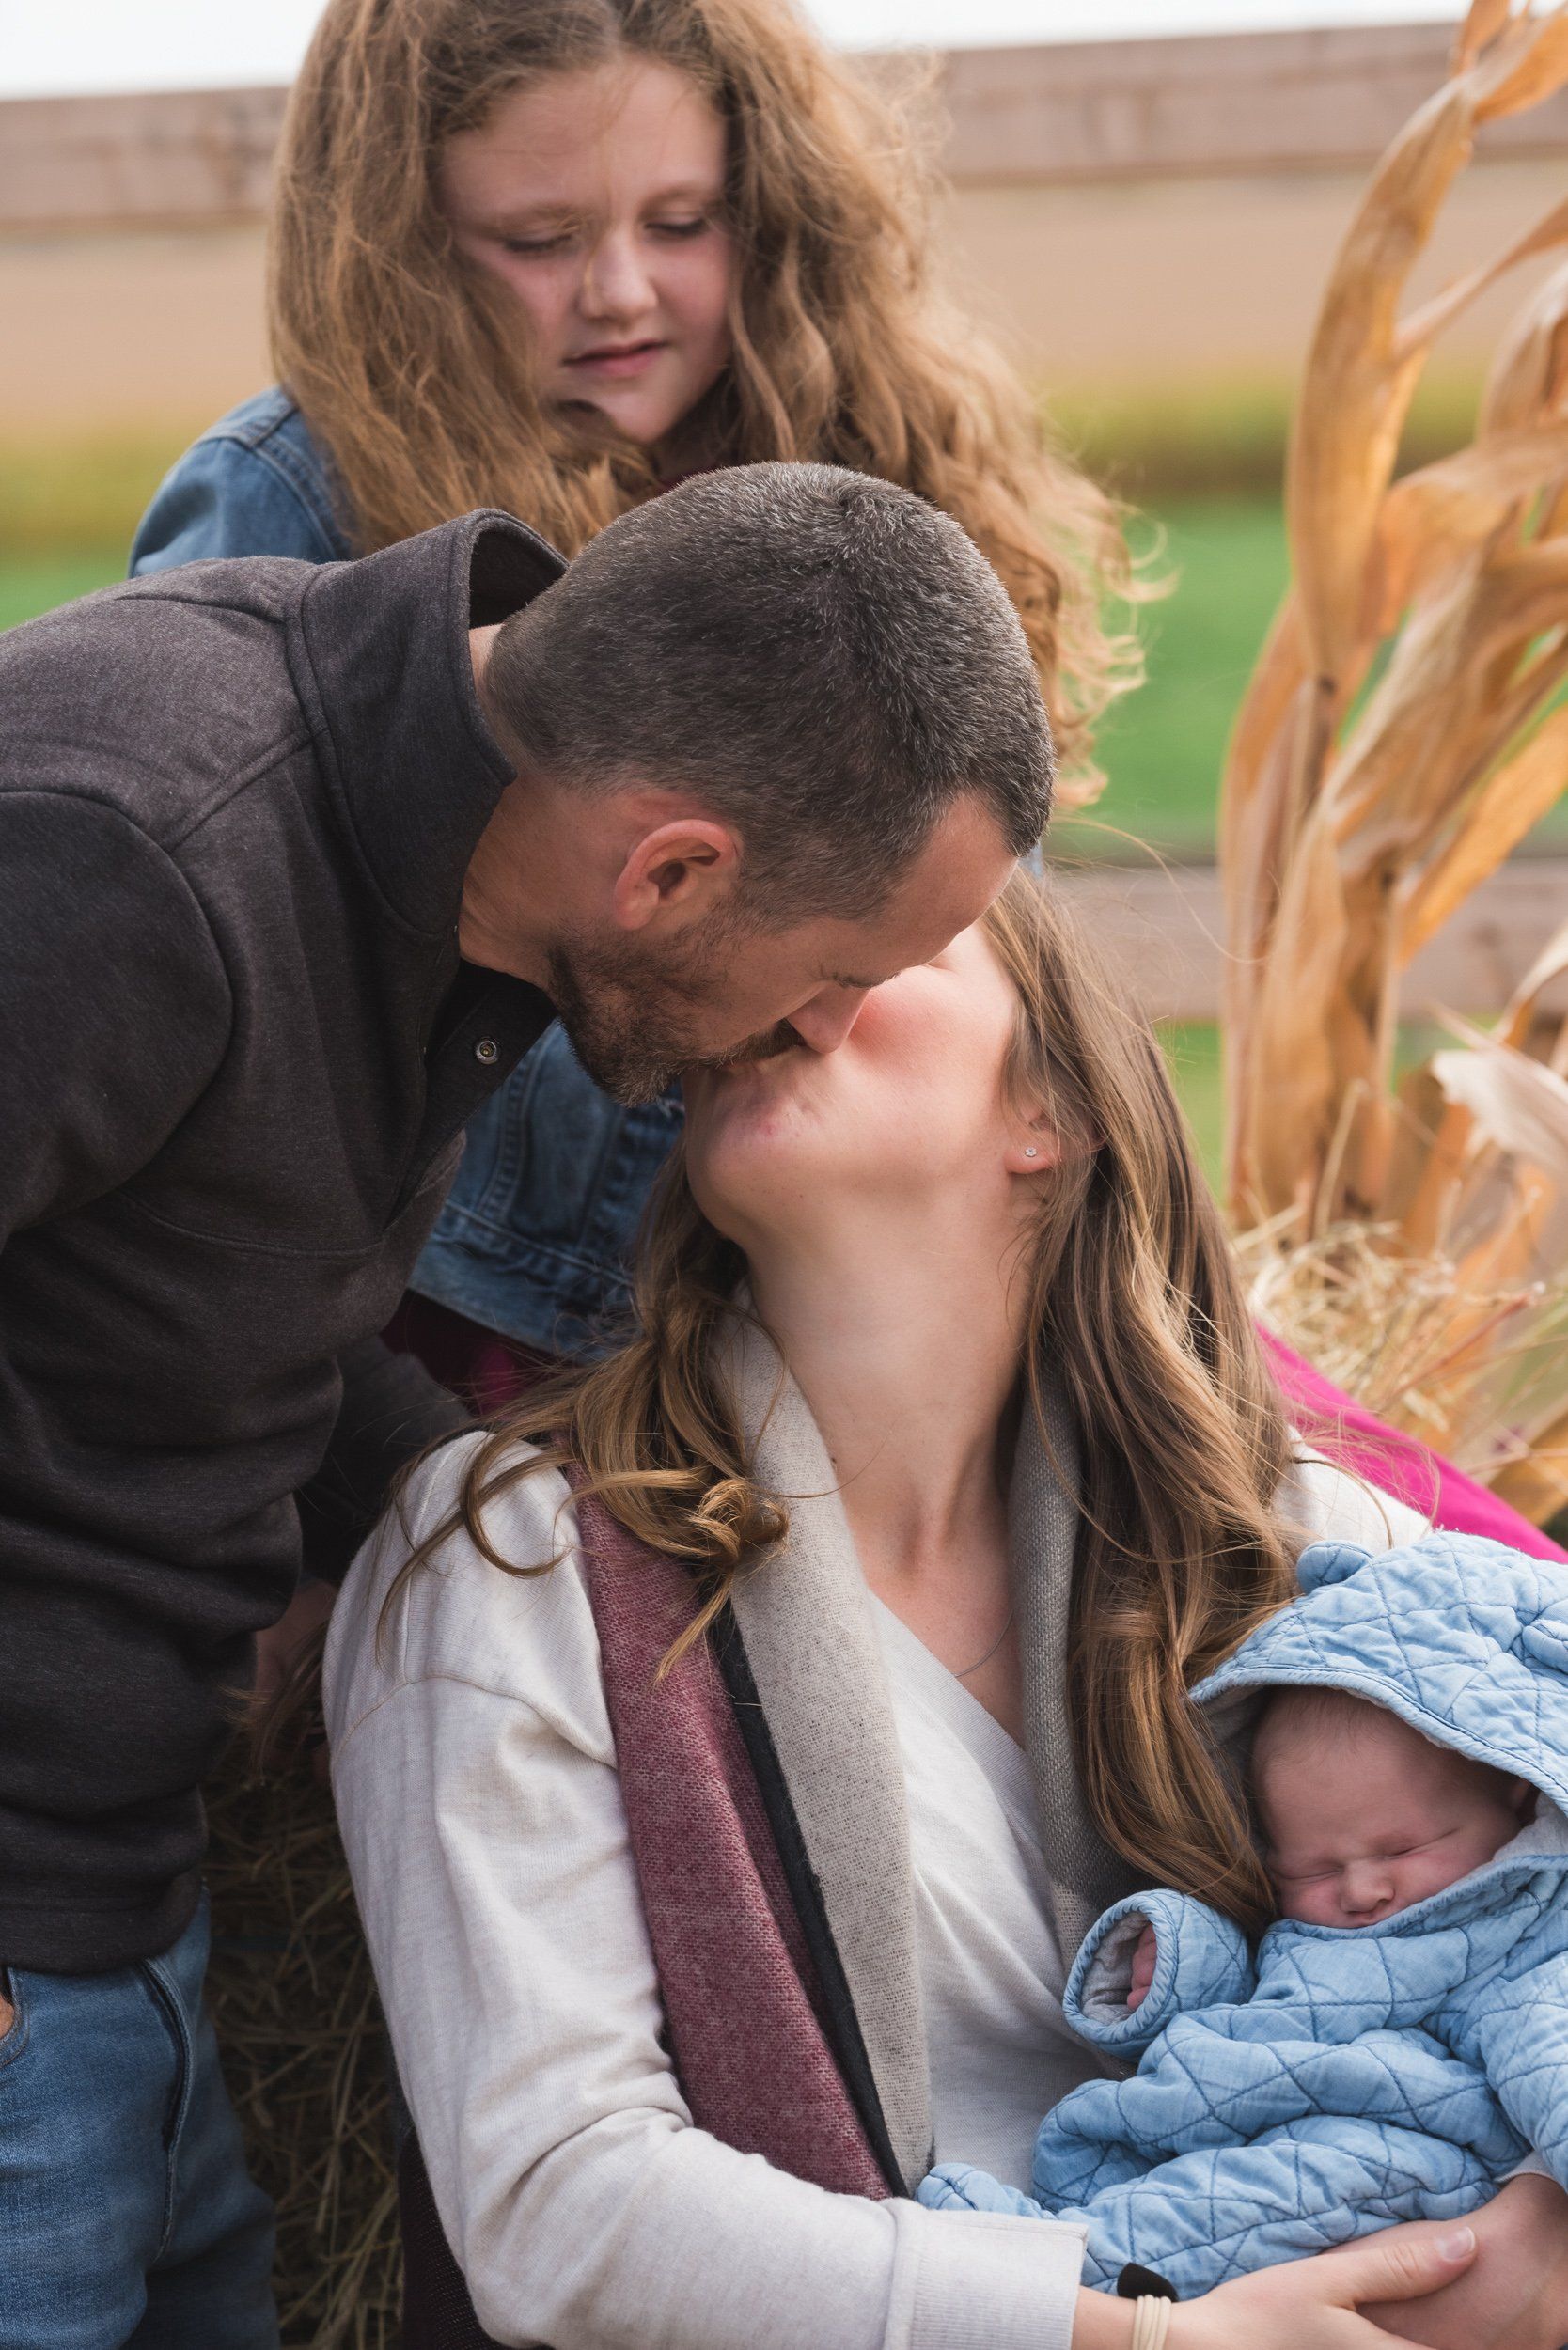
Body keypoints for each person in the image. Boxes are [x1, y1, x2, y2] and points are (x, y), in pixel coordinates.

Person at [0, 462, 1042, 2349]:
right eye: (830, 979)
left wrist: (494, 1503)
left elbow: (194, 1313)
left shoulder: (430, 873)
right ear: (670, 871)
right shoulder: (132, 845)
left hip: (126, 1949)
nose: (817, 1032)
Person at [325, 870, 1568, 2349]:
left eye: (884, 930)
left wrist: (1534, 2247)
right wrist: (1153, 2341)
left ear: (1051, 1112)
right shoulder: (519, 1556)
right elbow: (559, 2210)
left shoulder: (1314, 1553)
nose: (781, 969)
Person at [130, 0, 1137, 1376]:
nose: (618, 289)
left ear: (775, 203)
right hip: (457, 1326)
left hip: (823, 1286)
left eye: (682, 222)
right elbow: (220, 1008)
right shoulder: (296, 501)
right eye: (540, 240)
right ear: (399, 244)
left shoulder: (876, 453)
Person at [924, 1535, 1568, 2310]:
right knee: (1188, 2173)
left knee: (1272, 2194)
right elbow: (1260, 1981)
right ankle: (1070, 2242)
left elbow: (1550, 2063)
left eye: (1403, 1847)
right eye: (1315, 1868)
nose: (1360, 1889)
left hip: (1402, 2148)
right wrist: (1169, 1960)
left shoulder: (1521, 1949)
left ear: (1519, 1801)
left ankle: (1063, 2273)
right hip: (1226, 2106)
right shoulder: (1326, 1921)